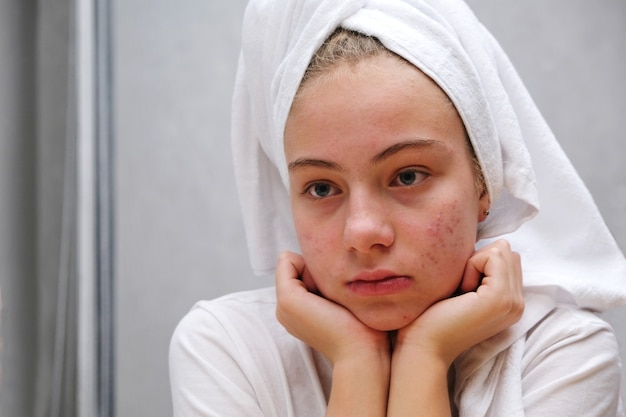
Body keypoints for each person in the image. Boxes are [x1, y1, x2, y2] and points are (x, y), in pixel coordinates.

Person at [169, 1, 626, 416]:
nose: (363, 231)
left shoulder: (563, 357)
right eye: (322, 187)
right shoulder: (229, 349)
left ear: (485, 184)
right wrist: (357, 360)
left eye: (408, 176)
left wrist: (424, 355)